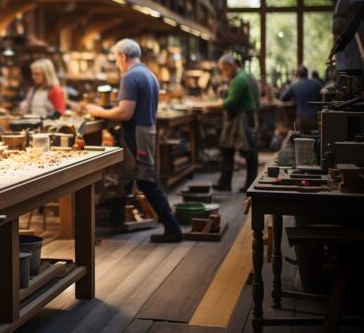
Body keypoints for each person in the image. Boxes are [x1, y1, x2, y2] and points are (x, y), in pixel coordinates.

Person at [87, 38, 183, 243]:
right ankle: (115, 219)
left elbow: (125, 113)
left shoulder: (130, 76)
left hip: (138, 133)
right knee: (128, 177)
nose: (116, 63)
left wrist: (100, 111)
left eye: (116, 59)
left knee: (147, 180)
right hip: (146, 130)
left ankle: (172, 227)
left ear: (123, 56)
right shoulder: (149, 74)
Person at [206, 55, 258, 192]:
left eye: (225, 69)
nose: (224, 73)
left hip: (241, 118)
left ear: (232, 65)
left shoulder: (240, 79)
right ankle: (225, 183)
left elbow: (230, 103)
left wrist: (207, 105)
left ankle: (251, 184)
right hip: (237, 116)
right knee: (227, 149)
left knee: (248, 151)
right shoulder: (239, 77)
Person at [280, 65, 322, 133]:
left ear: (297, 75)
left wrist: (288, 90)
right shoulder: (316, 83)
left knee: (301, 139)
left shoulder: (294, 85)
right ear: (307, 73)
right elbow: (322, 96)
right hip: (314, 117)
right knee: (315, 138)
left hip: (301, 117)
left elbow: (282, 98)